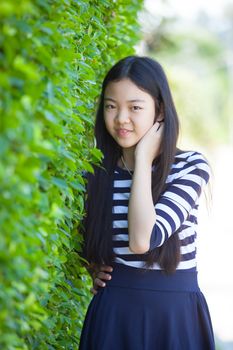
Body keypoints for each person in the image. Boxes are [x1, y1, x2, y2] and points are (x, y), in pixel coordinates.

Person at [78, 55, 215, 350]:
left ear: (160, 110)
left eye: (135, 108)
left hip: (174, 318)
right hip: (114, 316)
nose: (120, 119)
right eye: (111, 106)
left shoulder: (190, 166)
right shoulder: (95, 173)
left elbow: (144, 239)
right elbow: (83, 239)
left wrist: (142, 160)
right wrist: (91, 265)